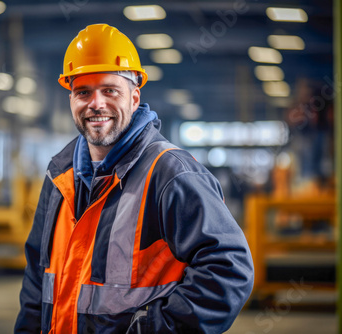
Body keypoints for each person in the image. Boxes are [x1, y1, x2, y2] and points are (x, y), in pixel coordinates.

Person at [14, 24, 254, 334]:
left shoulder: (170, 173)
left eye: (109, 90)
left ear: (134, 97)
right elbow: (37, 280)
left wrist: (155, 328)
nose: (96, 103)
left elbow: (228, 270)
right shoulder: (59, 175)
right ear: (71, 98)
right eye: (83, 92)